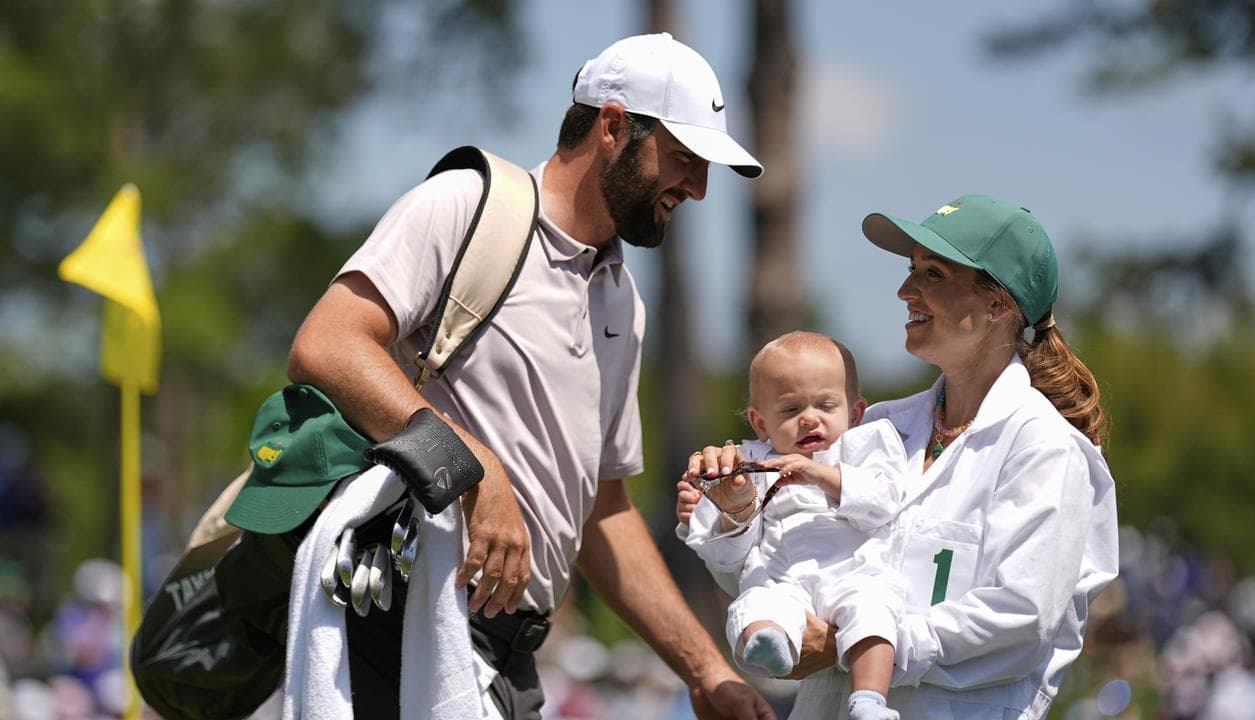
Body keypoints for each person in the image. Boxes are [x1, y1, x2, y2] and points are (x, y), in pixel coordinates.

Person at [277, 32, 773, 720]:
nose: (697, 186)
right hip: (404, 626)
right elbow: (327, 345)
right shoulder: (465, 205)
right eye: (685, 158)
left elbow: (603, 510)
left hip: (508, 655)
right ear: (613, 126)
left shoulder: (623, 304)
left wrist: (705, 672)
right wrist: (472, 466)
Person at [681, 195, 1119, 719]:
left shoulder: (1045, 448)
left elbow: (1022, 620)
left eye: (932, 274)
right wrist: (735, 510)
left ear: (999, 304)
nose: (904, 290)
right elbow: (784, 563)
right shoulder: (877, 427)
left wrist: (865, 643)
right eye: (911, 270)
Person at [677, 331, 908, 720]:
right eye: (789, 410)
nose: (809, 417)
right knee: (755, 602)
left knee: (876, 612)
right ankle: (771, 643)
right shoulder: (751, 461)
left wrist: (822, 475)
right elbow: (724, 553)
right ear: (760, 422)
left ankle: (869, 700)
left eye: (826, 404)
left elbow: (885, 501)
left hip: (854, 572)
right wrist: (712, 510)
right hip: (782, 577)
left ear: (854, 413)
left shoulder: (867, 446)